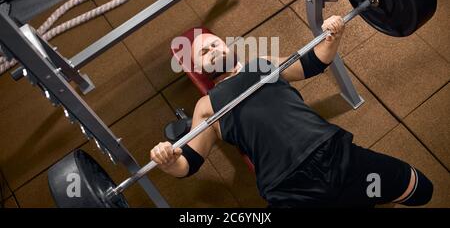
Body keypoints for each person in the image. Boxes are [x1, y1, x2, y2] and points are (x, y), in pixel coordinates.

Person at [150, 16, 433, 207]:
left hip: (334, 154)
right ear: (199, 68)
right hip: (289, 189)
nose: (212, 50)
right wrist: (167, 161)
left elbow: (313, 63)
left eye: (214, 43)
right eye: (203, 52)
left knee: (419, 188)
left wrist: (333, 35)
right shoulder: (207, 106)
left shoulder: (261, 64)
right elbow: (187, 164)